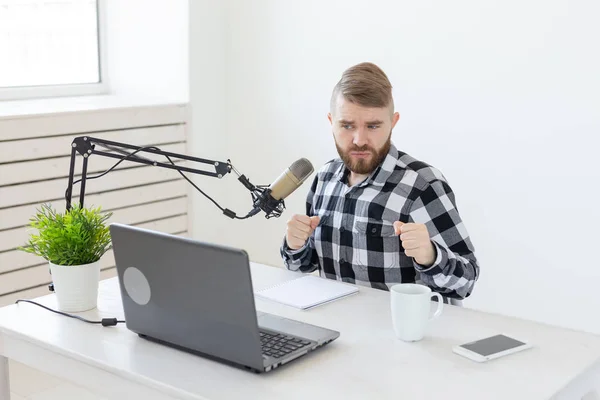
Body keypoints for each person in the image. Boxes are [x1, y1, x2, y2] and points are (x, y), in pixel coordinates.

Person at [280, 62, 479, 303]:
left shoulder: (423, 185)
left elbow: (466, 281)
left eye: (373, 126)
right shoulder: (325, 178)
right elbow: (305, 265)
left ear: (393, 122)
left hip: (400, 338)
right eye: (347, 125)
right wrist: (294, 246)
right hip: (337, 328)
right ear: (331, 121)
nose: (359, 139)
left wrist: (430, 256)